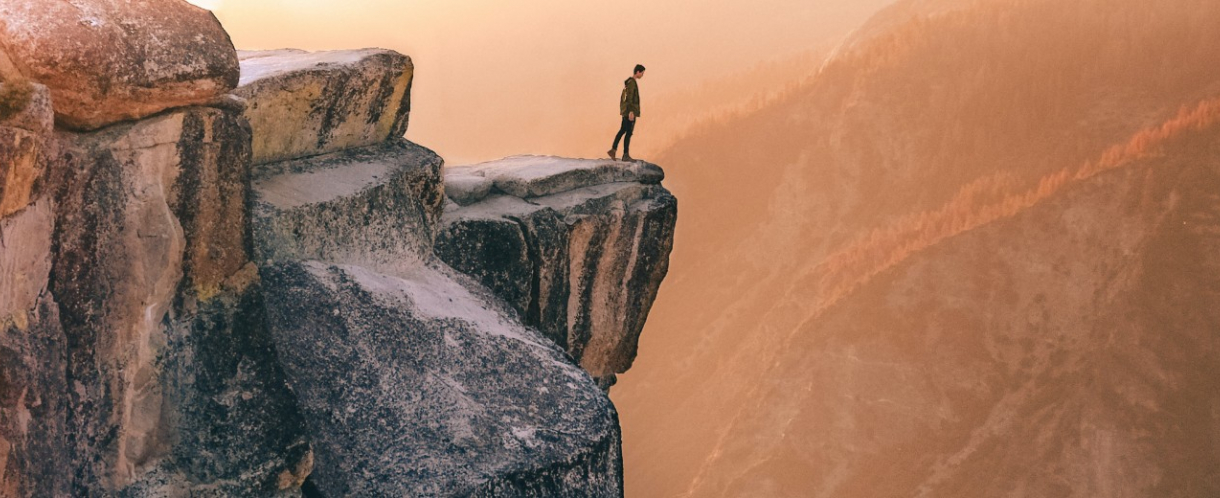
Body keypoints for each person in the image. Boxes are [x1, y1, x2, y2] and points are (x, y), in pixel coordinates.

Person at [609, 64, 645, 162]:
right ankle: (625, 155)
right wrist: (631, 112)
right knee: (628, 133)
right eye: (642, 73)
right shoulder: (632, 83)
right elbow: (630, 98)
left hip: (626, 111)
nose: (642, 75)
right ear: (638, 72)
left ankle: (613, 149)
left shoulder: (629, 82)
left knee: (622, 130)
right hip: (629, 112)